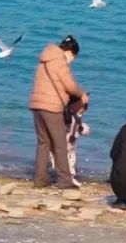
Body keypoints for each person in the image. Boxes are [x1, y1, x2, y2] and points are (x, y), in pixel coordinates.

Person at [28, 34, 88, 189]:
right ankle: (65, 181)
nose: (72, 61)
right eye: (74, 57)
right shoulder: (60, 61)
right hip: (51, 107)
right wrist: (81, 94)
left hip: (36, 105)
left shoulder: (44, 60)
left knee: (43, 143)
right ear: (70, 52)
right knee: (60, 144)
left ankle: (40, 179)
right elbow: (69, 85)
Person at [50, 96, 91, 187]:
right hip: (66, 142)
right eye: (82, 111)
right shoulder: (72, 118)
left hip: (67, 143)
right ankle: (67, 177)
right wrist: (85, 129)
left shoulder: (70, 116)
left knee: (65, 159)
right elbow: (79, 129)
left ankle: (64, 176)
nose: (82, 114)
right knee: (66, 160)